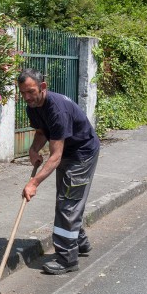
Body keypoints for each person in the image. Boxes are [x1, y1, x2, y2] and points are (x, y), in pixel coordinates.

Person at [17, 68, 100, 275]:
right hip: (67, 152)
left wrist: (33, 183)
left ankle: (67, 259)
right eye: (23, 93)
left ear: (43, 87)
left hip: (81, 153)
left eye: (31, 91)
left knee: (67, 203)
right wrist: (34, 149)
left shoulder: (57, 109)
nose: (27, 97)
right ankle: (79, 242)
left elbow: (55, 157)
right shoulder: (33, 106)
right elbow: (41, 131)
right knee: (67, 199)